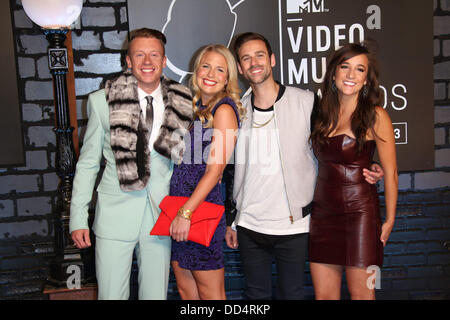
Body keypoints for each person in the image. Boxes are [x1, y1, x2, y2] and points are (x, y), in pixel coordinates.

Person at [224, 32, 384, 300]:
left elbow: (334, 143)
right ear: (239, 67)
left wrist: (370, 162)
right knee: (255, 296)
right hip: (250, 224)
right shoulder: (236, 111)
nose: (254, 63)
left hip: (296, 225)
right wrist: (232, 219)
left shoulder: (307, 102)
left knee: (293, 295)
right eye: (246, 58)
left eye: (260, 55)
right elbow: (230, 170)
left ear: (272, 59)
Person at [69, 28, 193, 300]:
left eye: (154, 55)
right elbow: (88, 164)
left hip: (161, 215)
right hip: (114, 215)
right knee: (111, 295)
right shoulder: (102, 101)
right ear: (128, 60)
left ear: (163, 60)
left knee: (155, 295)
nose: (147, 62)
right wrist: (78, 217)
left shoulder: (184, 101)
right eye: (139, 54)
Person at [309, 43, 398, 300]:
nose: (351, 75)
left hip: (362, 217)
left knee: (364, 296)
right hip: (322, 216)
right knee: (324, 297)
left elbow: (390, 172)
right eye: (345, 67)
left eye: (359, 70)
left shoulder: (376, 116)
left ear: (366, 79)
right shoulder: (321, 114)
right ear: (333, 73)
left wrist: (390, 219)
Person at [168, 44, 244, 300]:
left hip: (199, 211)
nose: (211, 73)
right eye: (206, 66)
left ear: (227, 77)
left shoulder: (223, 110)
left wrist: (186, 213)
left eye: (220, 69)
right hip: (179, 207)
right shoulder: (193, 107)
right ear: (196, 70)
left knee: (210, 294)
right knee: (186, 291)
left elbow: (214, 172)